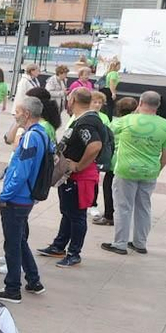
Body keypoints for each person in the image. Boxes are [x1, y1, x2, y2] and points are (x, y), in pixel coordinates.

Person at [37, 88, 109, 269]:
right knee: (68, 212)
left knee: (76, 216)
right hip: (72, 177)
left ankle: (74, 253)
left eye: (69, 98)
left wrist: (78, 165)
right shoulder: (83, 119)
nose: (67, 102)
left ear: (74, 100)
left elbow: (94, 146)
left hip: (80, 177)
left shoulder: (87, 122)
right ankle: (59, 245)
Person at [99, 91, 166, 257]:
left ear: (140, 102)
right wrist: (158, 168)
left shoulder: (126, 120)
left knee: (123, 207)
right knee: (144, 207)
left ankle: (120, 243)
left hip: (126, 169)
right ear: (158, 105)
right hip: (150, 171)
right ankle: (140, 243)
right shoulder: (164, 125)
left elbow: (107, 133)